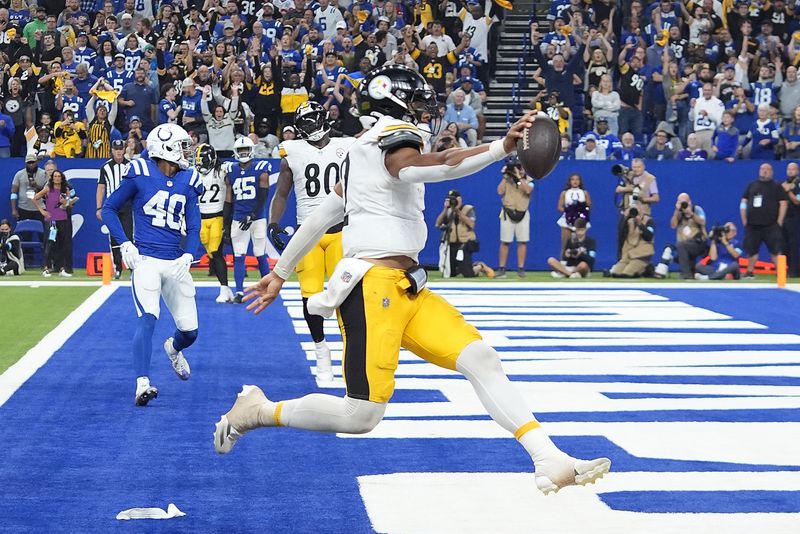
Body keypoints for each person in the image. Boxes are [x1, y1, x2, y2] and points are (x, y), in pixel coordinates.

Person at [214, 66, 610, 496]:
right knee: (361, 416)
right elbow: (434, 166)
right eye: (419, 102)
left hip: (406, 285)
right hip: (373, 287)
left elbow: (324, 214)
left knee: (481, 359)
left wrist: (278, 271)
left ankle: (548, 458)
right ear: (395, 102)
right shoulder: (393, 138)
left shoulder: (362, 149)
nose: (425, 111)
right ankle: (258, 410)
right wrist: (499, 148)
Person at [101, 123, 202, 406]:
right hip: (145, 259)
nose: (187, 151)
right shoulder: (139, 172)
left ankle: (172, 348)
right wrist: (124, 242)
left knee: (190, 332)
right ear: (166, 148)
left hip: (174, 261)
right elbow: (109, 208)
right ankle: (142, 382)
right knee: (148, 317)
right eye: (182, 146)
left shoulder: (189, 179)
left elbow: (194, 225)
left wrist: (188, 253)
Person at [269, 102, 354, 382]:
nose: (309, 127)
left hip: (341, 230)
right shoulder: (292, 152)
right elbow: (281, 194)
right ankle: (321, 351)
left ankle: (350, 352)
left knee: (347, 295)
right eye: (303, 123)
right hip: (309, 235)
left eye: (312, 120)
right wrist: (272, 223)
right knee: (310, 295)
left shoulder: (349, 146)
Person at [225, 136, 272, 303]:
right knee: (238, 254)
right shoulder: (231, 170)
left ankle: (268, 289)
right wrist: (226, 222)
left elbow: (264, 194)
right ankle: (239, 291)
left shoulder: (261, 167)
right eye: (241, 150)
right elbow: (228, 199)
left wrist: (252, 214)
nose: (244, 153)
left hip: (257, 217)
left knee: (260, 252)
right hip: (238, 218)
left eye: (246, 150)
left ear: (251, 151)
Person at [196, 143, 234, 304]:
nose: (200, 164)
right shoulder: (194, 173)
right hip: (201, 218)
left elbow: (230, 188)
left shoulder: (222, 170)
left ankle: (224, 288)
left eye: (202, 161)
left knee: (216, 252)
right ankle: (227, 290)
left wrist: (227, 218)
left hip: (217, 216)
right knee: (212, 253)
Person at [740, 163, 788, 279]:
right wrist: (744, 219)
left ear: (772, 172)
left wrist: (779, 221)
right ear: (759, 171)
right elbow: (743, 202)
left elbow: (783, 203)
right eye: (763, 169)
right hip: (753, 225)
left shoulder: (777, 186)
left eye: (767, 169)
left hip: (771, 225)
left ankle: (781, 274)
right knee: (751, 251)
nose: (765, 171)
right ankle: (749, 272)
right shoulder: (752, 185)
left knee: (776, 251)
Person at [96, 139, 131, 278]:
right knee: (114, 238)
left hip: (127, 205)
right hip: (112, 206)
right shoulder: (105, 167)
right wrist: (99, 207)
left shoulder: (130, 165)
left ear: (124, 149)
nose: (118, 151)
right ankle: (117, 268)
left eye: (120, 148)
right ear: (112, 150)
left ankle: (132, 268)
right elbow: (101, 187)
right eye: (116, 149)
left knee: (129, 236)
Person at [33, 169, 78, 277]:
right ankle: (45, 268)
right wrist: (42, 211)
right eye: (55, 176)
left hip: (62, 218)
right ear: (52, 178)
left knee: (62, 245)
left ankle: (61, 268)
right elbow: (35, 198)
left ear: (62, 178)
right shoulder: (48, 188)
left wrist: (65, 202)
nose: (57, 178)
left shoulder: (65, 189)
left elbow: (69, 205)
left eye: (59, 176)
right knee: (50, 244)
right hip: (51, 220)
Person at [496, 160, 533, 278]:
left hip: (523, 212)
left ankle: (521, 268)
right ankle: (502, 268)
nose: (519, 170)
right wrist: (505, 176)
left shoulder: (529, 181)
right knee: (505, 241)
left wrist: (518, 177)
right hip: (508, 212)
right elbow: (500, 191)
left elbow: (527, 190)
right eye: (516, 168)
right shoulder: (507, 181)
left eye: (520, 168)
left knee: (522, 241)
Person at [436, 189, 479, 278]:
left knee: (468, 274)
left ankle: (479, 266)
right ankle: (463, 267)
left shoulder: (468, 209)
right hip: (451, 243)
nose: (452, 201)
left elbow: (471, 224)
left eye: (454, 198)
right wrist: (445, 209)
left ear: (459, 199)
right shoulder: (448, 211)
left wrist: (457, 210)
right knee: (450, 273)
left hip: (465, 243)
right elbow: (437, 224)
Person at [670, 192, 708, 279]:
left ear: (690, 201)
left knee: (681, 246)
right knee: (680, 247)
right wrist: (676, 211)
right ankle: (690, 273)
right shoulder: (679, 213)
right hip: (685, 244)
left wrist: (691, 213)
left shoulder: (697, 209)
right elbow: (673, 225)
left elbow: (703, 222)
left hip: (698, 243)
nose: (683, 204)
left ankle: (686, 274)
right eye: (681, 202)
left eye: (685, 202)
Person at [609, 207, 656, 278]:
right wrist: (624, 218)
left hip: (642, 255)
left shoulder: (649, 221)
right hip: (629, 254)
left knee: (627, 274)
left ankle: (646, 268)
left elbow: (649, 237)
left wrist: (640, 224)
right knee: (616, 274)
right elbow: (621, 235)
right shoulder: (629, 222)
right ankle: (641, 270)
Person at [557, 173, 592, 252]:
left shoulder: (584, 193)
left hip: (581, 220)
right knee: (565, 244)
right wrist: (569, 211)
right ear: (569, 181)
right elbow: (559, 207)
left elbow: (589, 206)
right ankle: (564, 262)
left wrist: (580, 211)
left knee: (581, 244)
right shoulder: (564, 193)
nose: (575, 181)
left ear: (580, 181)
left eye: (577, 179)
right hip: (567, 220)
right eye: (573, 179)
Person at [10, 154, 48, 221]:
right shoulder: (19, 174)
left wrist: (36, 186)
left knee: (41, 230)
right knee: (24, 230)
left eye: (32, 162)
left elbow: (48, 191)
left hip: (40, 208)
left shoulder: (44, 174)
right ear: (25, 163)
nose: (31, 165)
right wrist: (14, 209)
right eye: (29, 163)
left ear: (36, 162)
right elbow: (13, 192)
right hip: (23, 208)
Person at [782, 162, 800, 277]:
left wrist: (788, 191)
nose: (790, 171)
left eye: (792, 169)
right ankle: (786, 269)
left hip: (795, 217)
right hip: (785, 217)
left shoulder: (798, 183)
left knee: (794, 244)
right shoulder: (785, 183)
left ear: (797, 171)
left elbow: (798, 201)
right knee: (784, 245)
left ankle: (795, 271)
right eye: (788, 169)